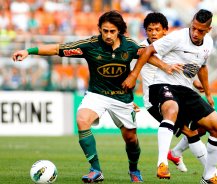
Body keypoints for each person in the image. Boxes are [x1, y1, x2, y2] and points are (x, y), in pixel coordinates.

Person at [12, 10, 144, 183]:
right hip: (97, 94)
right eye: (105, 31)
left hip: (122, 98)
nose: (108, 35)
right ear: (99, 29)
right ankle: (95, 169)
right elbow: (56, 49)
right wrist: (29, 51)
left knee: (130, 138)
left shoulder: (130, 45)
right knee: (82, 119)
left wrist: (138, 73)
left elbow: (147, 55)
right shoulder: (90, 45)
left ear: (119, 30)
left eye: (112, 31)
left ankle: (134, 170)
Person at [123, 9, 217, 184]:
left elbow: (200, 66)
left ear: (208, 30)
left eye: (200, 30)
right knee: (177, 115)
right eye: (193, 28)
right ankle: (163, 162)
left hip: (185, 91)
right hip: (159, 89)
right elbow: (146, 52)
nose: (195, 33)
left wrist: (205, 91)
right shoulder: (175, 37)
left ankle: (207, 174)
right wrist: (133, 78)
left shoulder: (208, 43)